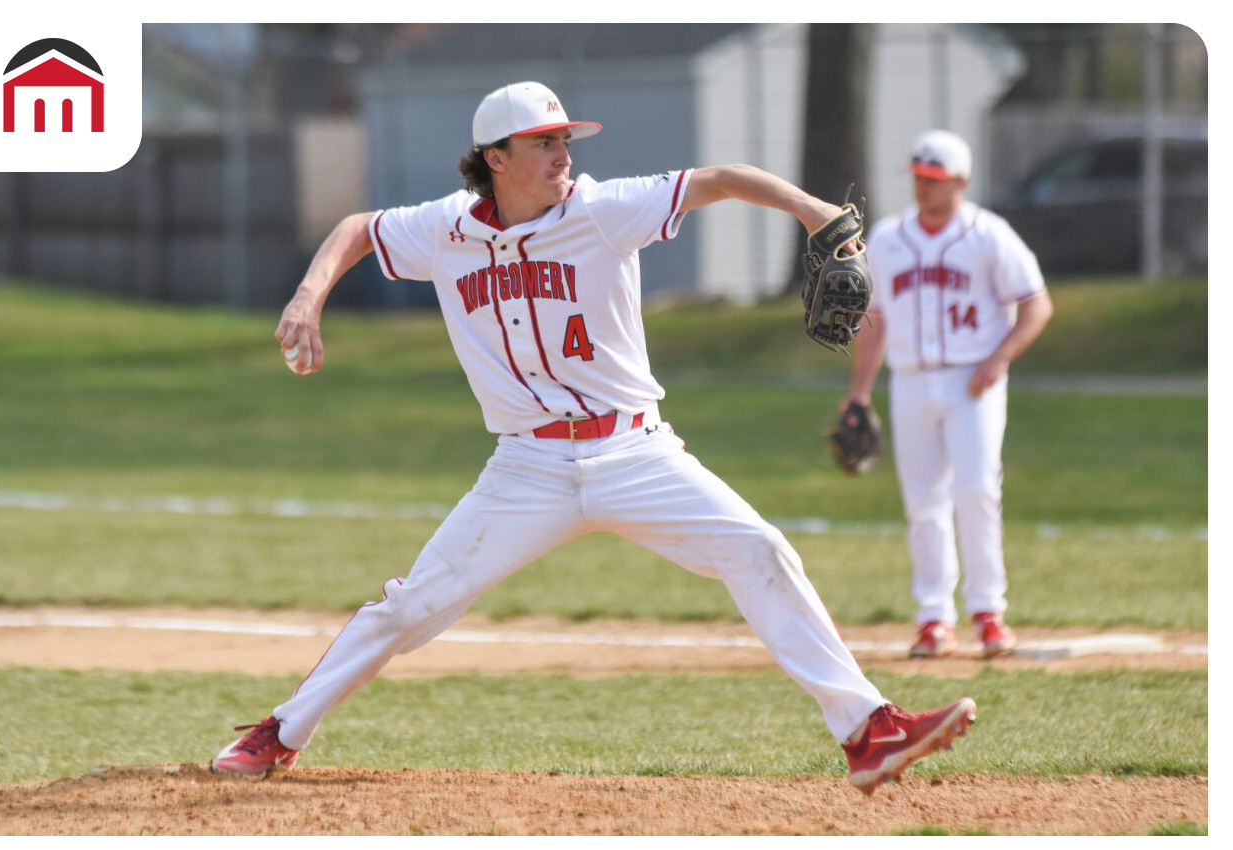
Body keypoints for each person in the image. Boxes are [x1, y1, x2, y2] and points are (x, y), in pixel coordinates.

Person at [210, 82, 975, 794]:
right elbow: (357, 229)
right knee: (411, 608)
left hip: (636, 452)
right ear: (495, 160)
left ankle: (868, 731)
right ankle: (281, 730)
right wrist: (309, 296)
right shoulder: (446, 229)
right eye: (542, 142)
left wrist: (813, 212)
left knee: (761, 549)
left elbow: (720, 177)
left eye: (564, 139)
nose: (562, 154)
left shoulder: (603, 209)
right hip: (527, 467)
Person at [844, 130, 1054, 659]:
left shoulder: (990, 235)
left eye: (933, 179)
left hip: (972, 382)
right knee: (923, 501)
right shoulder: (889, 239)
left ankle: (988, 612)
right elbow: (875, 320)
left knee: (977, 489)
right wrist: (860, 395)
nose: (922, 186)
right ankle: (934, 617)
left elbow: (1037, 306)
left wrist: (998, 358)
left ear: (960, 181)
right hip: (910, 379)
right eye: (917, 177)